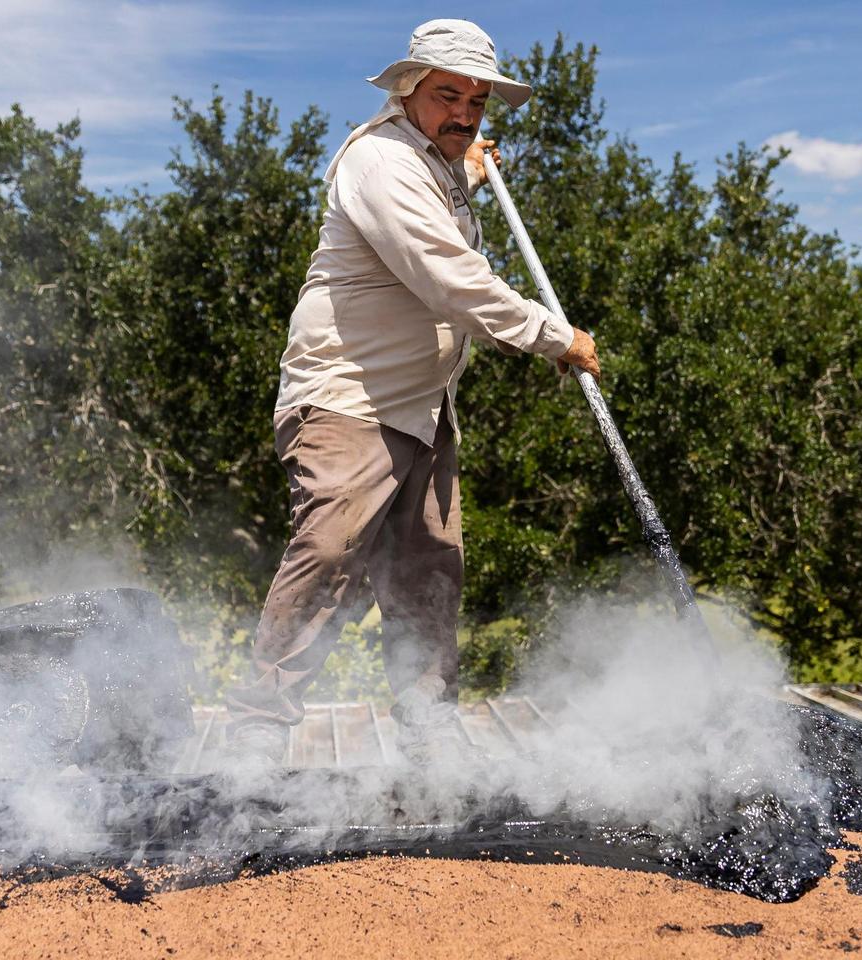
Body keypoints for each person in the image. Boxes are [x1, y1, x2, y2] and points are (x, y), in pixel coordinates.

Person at [225, 19, 600, 765]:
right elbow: (449, 276)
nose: (463, 113)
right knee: (329, 554)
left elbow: (446, 190)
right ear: (407, 89)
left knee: (428, 572)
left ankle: (429, 734)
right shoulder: (381, 161)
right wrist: (555, 336)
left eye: (477, 102)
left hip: (422, 408)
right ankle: (253, 739)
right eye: (446, 95)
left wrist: (471, 169)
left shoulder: (437, 161)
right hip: (347, 399)